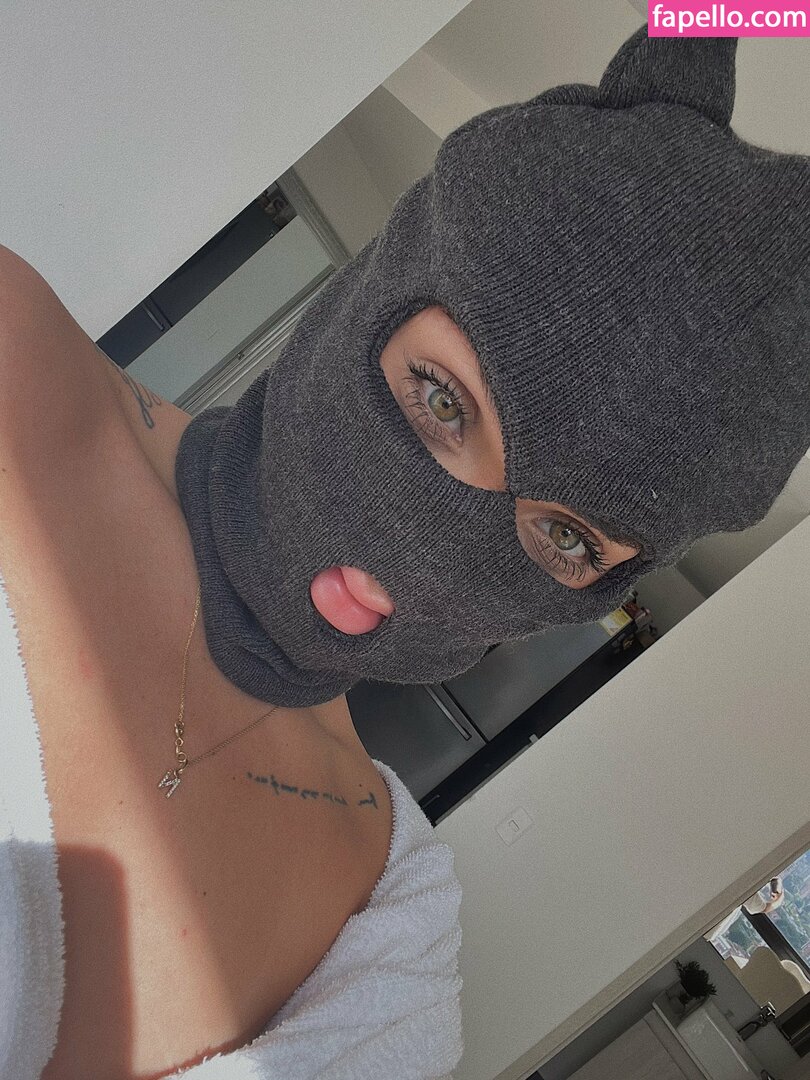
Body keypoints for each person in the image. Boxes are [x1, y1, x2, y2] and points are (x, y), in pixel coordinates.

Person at [1, 21, 808, 1080]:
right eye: (441, 397)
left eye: (565, 534)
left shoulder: (396, 927)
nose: (424, 551)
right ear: (378, 284)